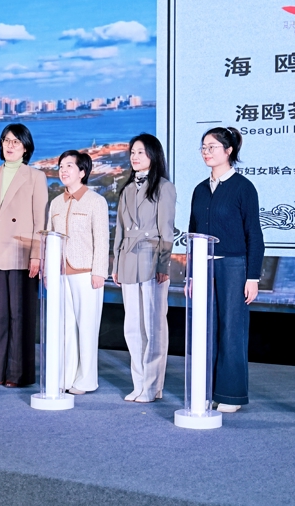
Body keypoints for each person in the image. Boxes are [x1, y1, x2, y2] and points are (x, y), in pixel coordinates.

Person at [188, 127, 264, 413]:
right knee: (205, 329)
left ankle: (230, 395)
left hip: (233, 266)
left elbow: (254, 234)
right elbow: (193, 232)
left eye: (212, 147)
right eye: (203, 147)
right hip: (203, 266)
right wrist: (191, 274)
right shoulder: (199, 189)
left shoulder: (243, 187)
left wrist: (252, 276)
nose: (206, 152)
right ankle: (207, 390)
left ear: (229, 151)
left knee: (232, 330)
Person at [0, 123, 47, 387]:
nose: (10, 145)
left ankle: (18, 374)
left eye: (16, 141)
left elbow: (40, 220)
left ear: (26, 147)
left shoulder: (36, 176)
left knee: (20, 316)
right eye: (6, 140)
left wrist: (37, 255)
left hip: (21, 254)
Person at [112, 133, 176, 403]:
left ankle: (152, 386)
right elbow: (119, 230)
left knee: (153, 327)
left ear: (153, 154)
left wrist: (163, 264)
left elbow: (167, 231)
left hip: (152, 259)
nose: (134, 157)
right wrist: (116, 263)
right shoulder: (127, 188)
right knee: (132, 327)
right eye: (132, 152)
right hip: (128, 260)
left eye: (140, 152)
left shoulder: (164, 187)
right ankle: (139, 384)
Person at [47, 150, 109, 395]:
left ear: (82, 172)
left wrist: (99, 271)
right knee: (65, 328)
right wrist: (48, 271)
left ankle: (86, 381)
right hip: (61, 273)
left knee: (87, 328)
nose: (63, 170)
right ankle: (65, 377)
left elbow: (102, 239)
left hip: (87, 273)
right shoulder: (55, 203)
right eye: (61, 166)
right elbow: (49, 238)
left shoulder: (96, 201)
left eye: (69, 166)